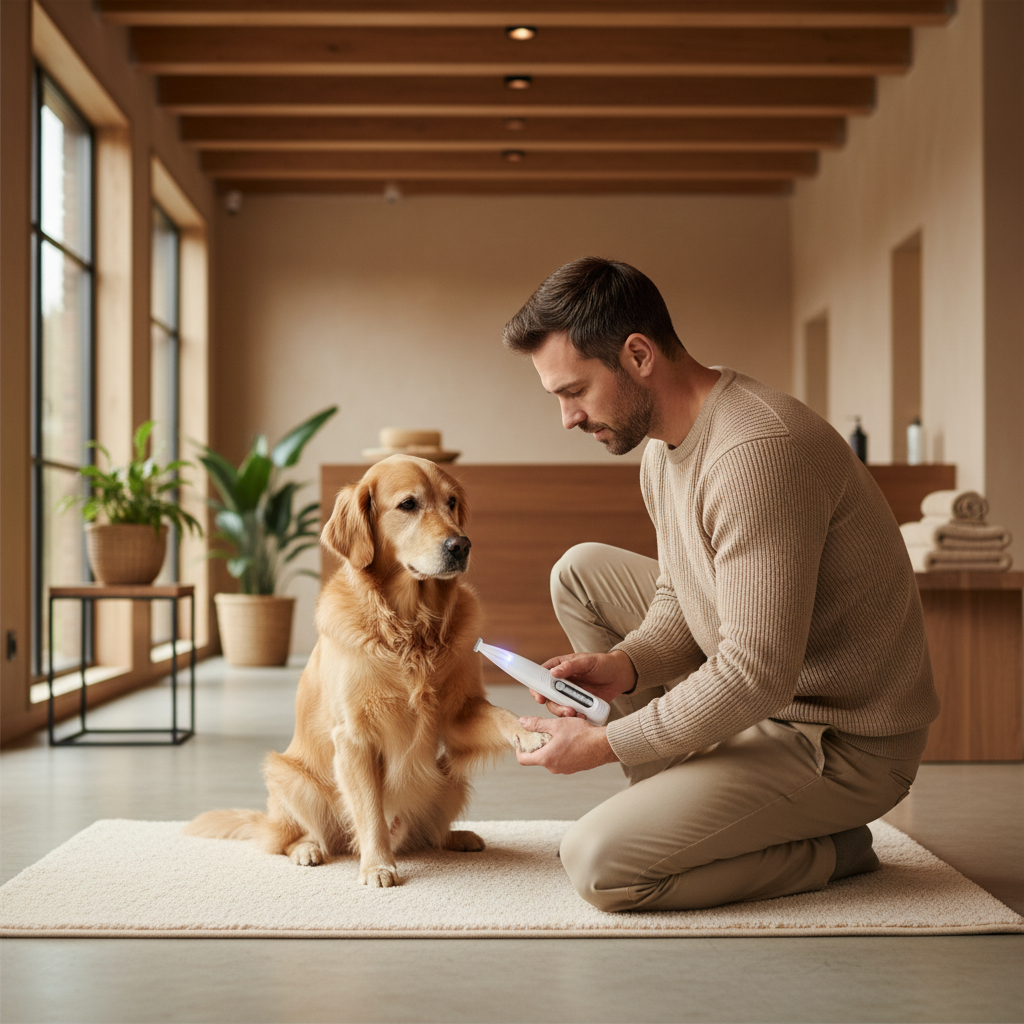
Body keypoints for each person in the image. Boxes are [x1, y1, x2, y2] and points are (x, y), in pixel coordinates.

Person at [501, 256, 939, 913]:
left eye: (574, 391)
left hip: (841, 742)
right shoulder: (660, 450)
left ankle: (831, 848)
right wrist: (624, 666)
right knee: (581, 572)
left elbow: (756, 671)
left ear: (639, 354)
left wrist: (605, 742)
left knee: (601, 866)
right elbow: (682, 599)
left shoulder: (755, 451)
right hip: (776, 697)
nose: (567, 417)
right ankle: (685, 806)